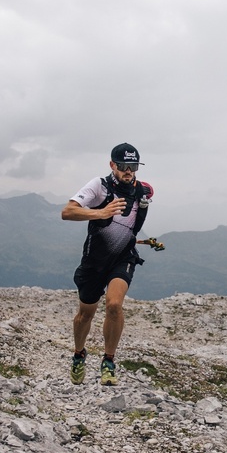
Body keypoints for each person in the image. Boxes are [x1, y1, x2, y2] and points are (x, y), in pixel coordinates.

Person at [61, 142, 153, 385]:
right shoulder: (99, 187)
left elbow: (128, 225)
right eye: (123, 166)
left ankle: (109, 361)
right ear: (112, 165)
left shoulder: (143, 191)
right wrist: (100, 213)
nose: (128, 171)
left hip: (123, 257)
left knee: (114, 305)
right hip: (94, 260)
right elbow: (67, 212)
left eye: (133, 166)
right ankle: (79, 354)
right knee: (85, 314)